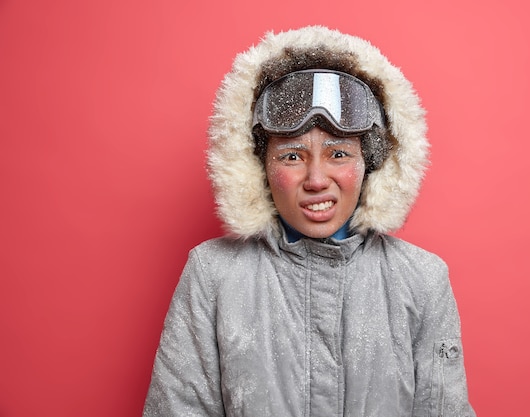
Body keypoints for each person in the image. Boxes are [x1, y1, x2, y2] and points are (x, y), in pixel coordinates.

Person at [143, 25, 476, 417]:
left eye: (338, 154)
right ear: (259, 167)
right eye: (292, 156)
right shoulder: (213, 275)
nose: (317, 180)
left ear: (370, 164)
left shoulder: (422, 280)